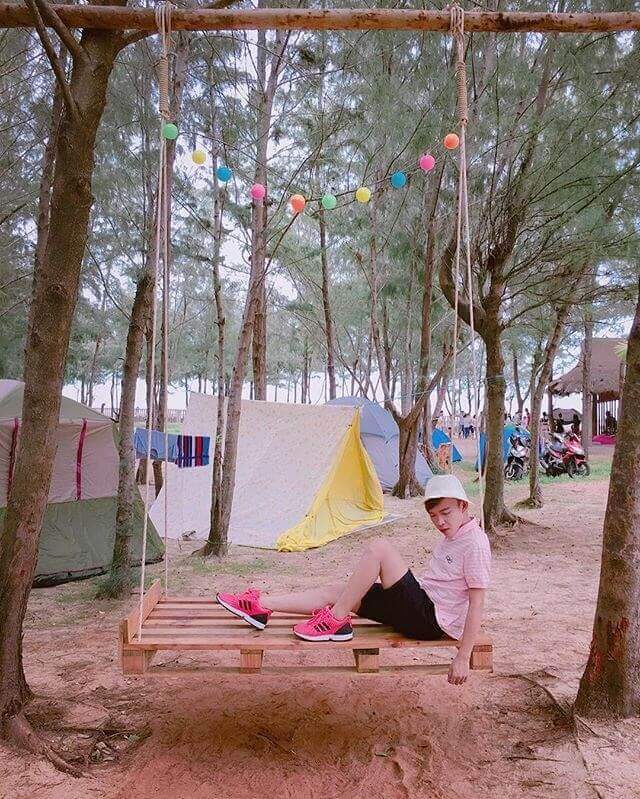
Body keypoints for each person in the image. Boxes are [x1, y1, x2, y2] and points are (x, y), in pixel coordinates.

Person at [216, 475, 491, 686]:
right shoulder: (455, 535)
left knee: (380, 548)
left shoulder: (474, 543)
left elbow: (477, 603)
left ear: (463, 505)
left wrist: (462, 657)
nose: (440, 522)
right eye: (433, 516)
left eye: (446, 513)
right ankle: (261, 606)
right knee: (338, 592)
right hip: (418, 608)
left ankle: (334, 620)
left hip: (430, 619)